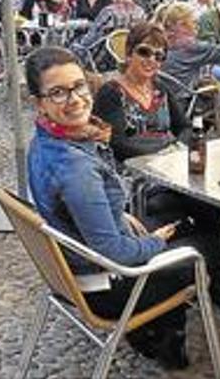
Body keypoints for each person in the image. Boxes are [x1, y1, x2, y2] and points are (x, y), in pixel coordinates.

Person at [26, 47, 194, 369]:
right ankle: (165, 339)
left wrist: (120, 215)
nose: (74, 99)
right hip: (101, 286)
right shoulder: (75, 168)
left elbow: (77, 207)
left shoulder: (46, 140)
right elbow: (115, 252)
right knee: (199, 253)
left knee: (159, 217)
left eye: (79, 87)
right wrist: (157, 241)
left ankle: (153, 330)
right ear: (40, 102)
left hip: (70, 270)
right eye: (58, 93)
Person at [92, 22, 220, 310]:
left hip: (171, 169)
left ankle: (212, 278)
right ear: (129, 53)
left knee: (208, 197)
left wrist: (178, 148)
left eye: (159, 56)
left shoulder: (160, 89)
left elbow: (184, 127)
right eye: (145, 52)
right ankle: (208, 278)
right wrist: (168, 150)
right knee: (199, 202)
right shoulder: (111, 92)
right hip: (135, 178)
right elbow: (119, 142)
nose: (152, 61)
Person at [162, 2, 220, 88]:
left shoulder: (161, 38)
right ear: (181, 25)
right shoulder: (190, 46)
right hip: (184, 98)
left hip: (162, 96)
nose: (197, 25)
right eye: (194, 22)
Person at [73, 0, 145, 70]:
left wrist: (78, 45)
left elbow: (91, 38)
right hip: (129, 58)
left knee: (73, 46)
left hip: (105, 60)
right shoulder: (140, 12)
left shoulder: (109, 12)